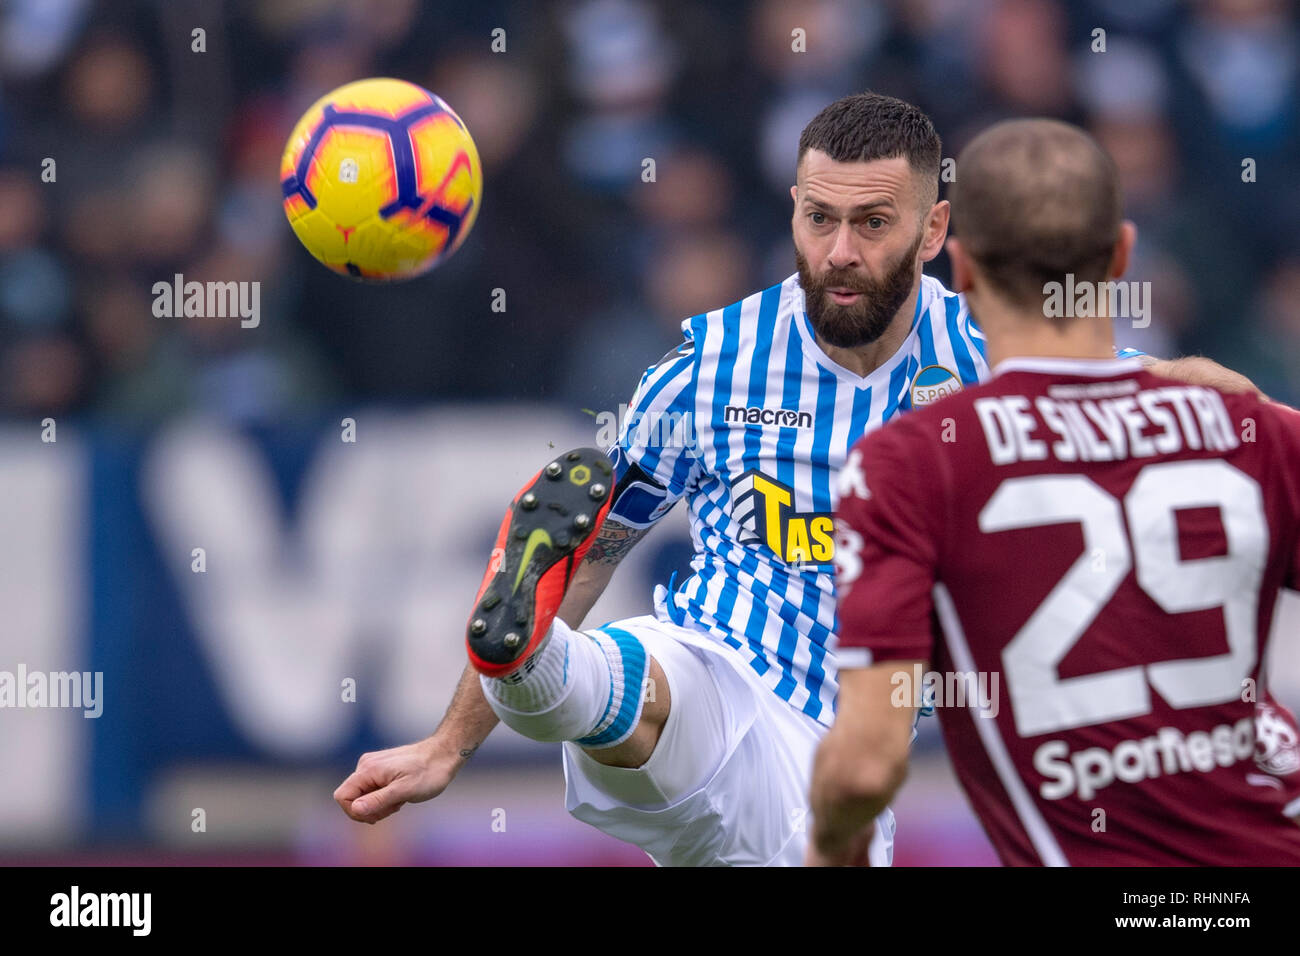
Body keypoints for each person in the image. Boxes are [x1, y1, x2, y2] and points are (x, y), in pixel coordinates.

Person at [335, 94, 1254, 866]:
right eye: (820, 218)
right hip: (717, 662)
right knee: (652, 683)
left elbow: (1189, 394)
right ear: (793, 214)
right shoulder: (712, 365)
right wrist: (448, 746)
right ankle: (533, 665)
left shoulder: (994, 356)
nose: (840, 251)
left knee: (732, 790)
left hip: (843, 738)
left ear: (935, 229)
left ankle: (545, 676)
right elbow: (588, 552)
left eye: (871, 222)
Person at [810, 117, 1300, 866]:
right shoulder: (1244, 426)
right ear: (1122, 255)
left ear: (963, 269)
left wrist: (828, 848)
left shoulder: (913, 465)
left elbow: (866, 765)